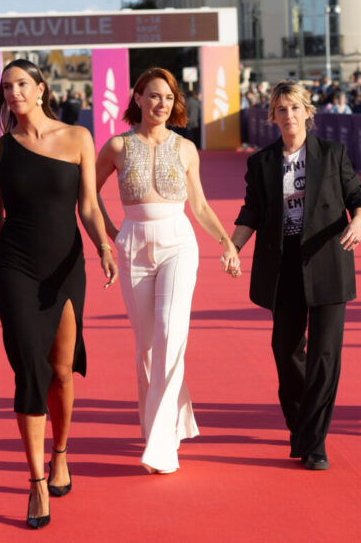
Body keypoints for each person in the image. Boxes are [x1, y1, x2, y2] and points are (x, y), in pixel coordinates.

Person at [0, 59, 117, 529]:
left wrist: (102, 247)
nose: (12, 92)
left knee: (60, 371)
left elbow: (90, 206)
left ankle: (60, 453)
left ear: (40, 89)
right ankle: (36, 482)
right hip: (14, 266)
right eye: (6, 87)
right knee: (29, 370)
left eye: (21, 84)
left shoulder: (77, 138)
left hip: (65, 267)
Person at [95, 68, 240, 474]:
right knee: (146, 344)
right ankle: (169, 421)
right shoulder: (118, 146)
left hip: (178, 242)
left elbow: (201, 207)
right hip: (133, 245)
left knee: (170, 334)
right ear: (137, 98)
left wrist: (226, 243)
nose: (161, 103)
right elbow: (86, 193)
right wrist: (109, 235)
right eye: (153, 96)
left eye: (168, 97)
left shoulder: (187, 148)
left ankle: (161, 445)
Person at [230, 81, 361, 471]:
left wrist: (358, 222)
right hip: (283, 263)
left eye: (294, 107)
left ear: (308, 111)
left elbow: (357, 198)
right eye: (280, 108)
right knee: (286, 351)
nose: (288, 115)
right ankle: (300, 425)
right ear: (272, 116)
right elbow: (252, 212)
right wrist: (232, 247)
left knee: (325, 355)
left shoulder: (332, 154)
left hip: (328, 257)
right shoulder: (261, 163)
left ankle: (314, 442)